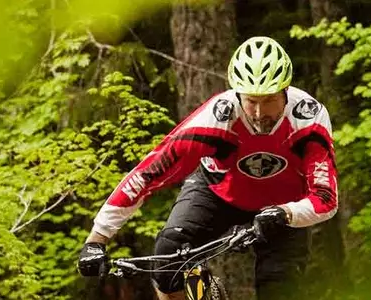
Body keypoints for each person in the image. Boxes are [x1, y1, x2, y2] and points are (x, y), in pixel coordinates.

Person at [74, 36, 339, 300]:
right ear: (237, 94)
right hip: (217, 191)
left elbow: (325, 198)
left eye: (268, 100)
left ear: (285, 91)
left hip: (283, 207)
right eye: (251, 101)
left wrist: (286, 213)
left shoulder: (308, 119)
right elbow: (148, 174)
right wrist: (97, 240)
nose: (259, 113)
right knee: (168, 257)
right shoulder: (217, 118)